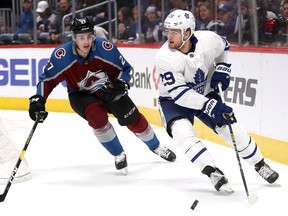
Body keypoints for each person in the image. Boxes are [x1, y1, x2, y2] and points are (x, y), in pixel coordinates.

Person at [28, 17, 176, 175]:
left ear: (93, 35)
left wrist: (120, 84)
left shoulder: (105, 48)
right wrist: (38, 99)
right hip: (81, 96)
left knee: (133, 119)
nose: (86, 41)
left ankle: (155, 146)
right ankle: (118, 154)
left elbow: (124, 70)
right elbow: (47, 80)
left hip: (109, 89)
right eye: (81, 37)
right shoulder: (61, 56)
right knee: (97, 117)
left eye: (89, 36)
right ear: (73, 38)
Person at [155, 9, 279, 192]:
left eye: (174, 32)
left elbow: (224, 47)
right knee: (182, 133)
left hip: (205, 92)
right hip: (173, 100)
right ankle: (213, 171)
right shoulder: (165, 57)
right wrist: (210, 105)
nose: (169, 36)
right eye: (168, 31)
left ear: (187, 33)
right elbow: (181, 94)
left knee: (230, 127)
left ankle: (260, 164)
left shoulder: (208, 40)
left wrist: (222, 67)